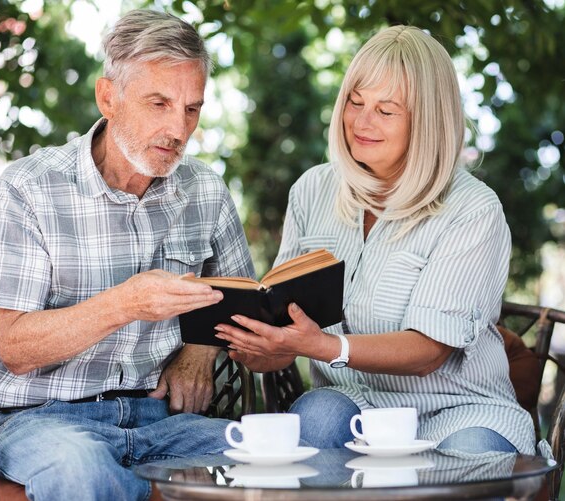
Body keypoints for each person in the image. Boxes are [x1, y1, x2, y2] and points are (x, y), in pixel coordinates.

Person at [0, 9, 254, 500]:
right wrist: (126, 304)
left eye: (191, 109)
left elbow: (242, 303)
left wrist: (200, 351)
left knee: (262, 456)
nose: (178, 129)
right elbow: (12, 347)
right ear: (108, 97)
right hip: (39, 421)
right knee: (83, 469)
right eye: (159, 103)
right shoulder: (28, 189)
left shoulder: (205, 189)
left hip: (162, 420)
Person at [215, 25, 536, 456]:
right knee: (314, 420)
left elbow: (429, 353)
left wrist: (323, 347)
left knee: (471, 458)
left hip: (459, 409)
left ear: (427, 122)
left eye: (386, 111)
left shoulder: (473, 209)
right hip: (353, 402)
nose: (361, 122)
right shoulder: (313, 190)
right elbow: (286, 327)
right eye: (355, 101)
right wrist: (261, 349)